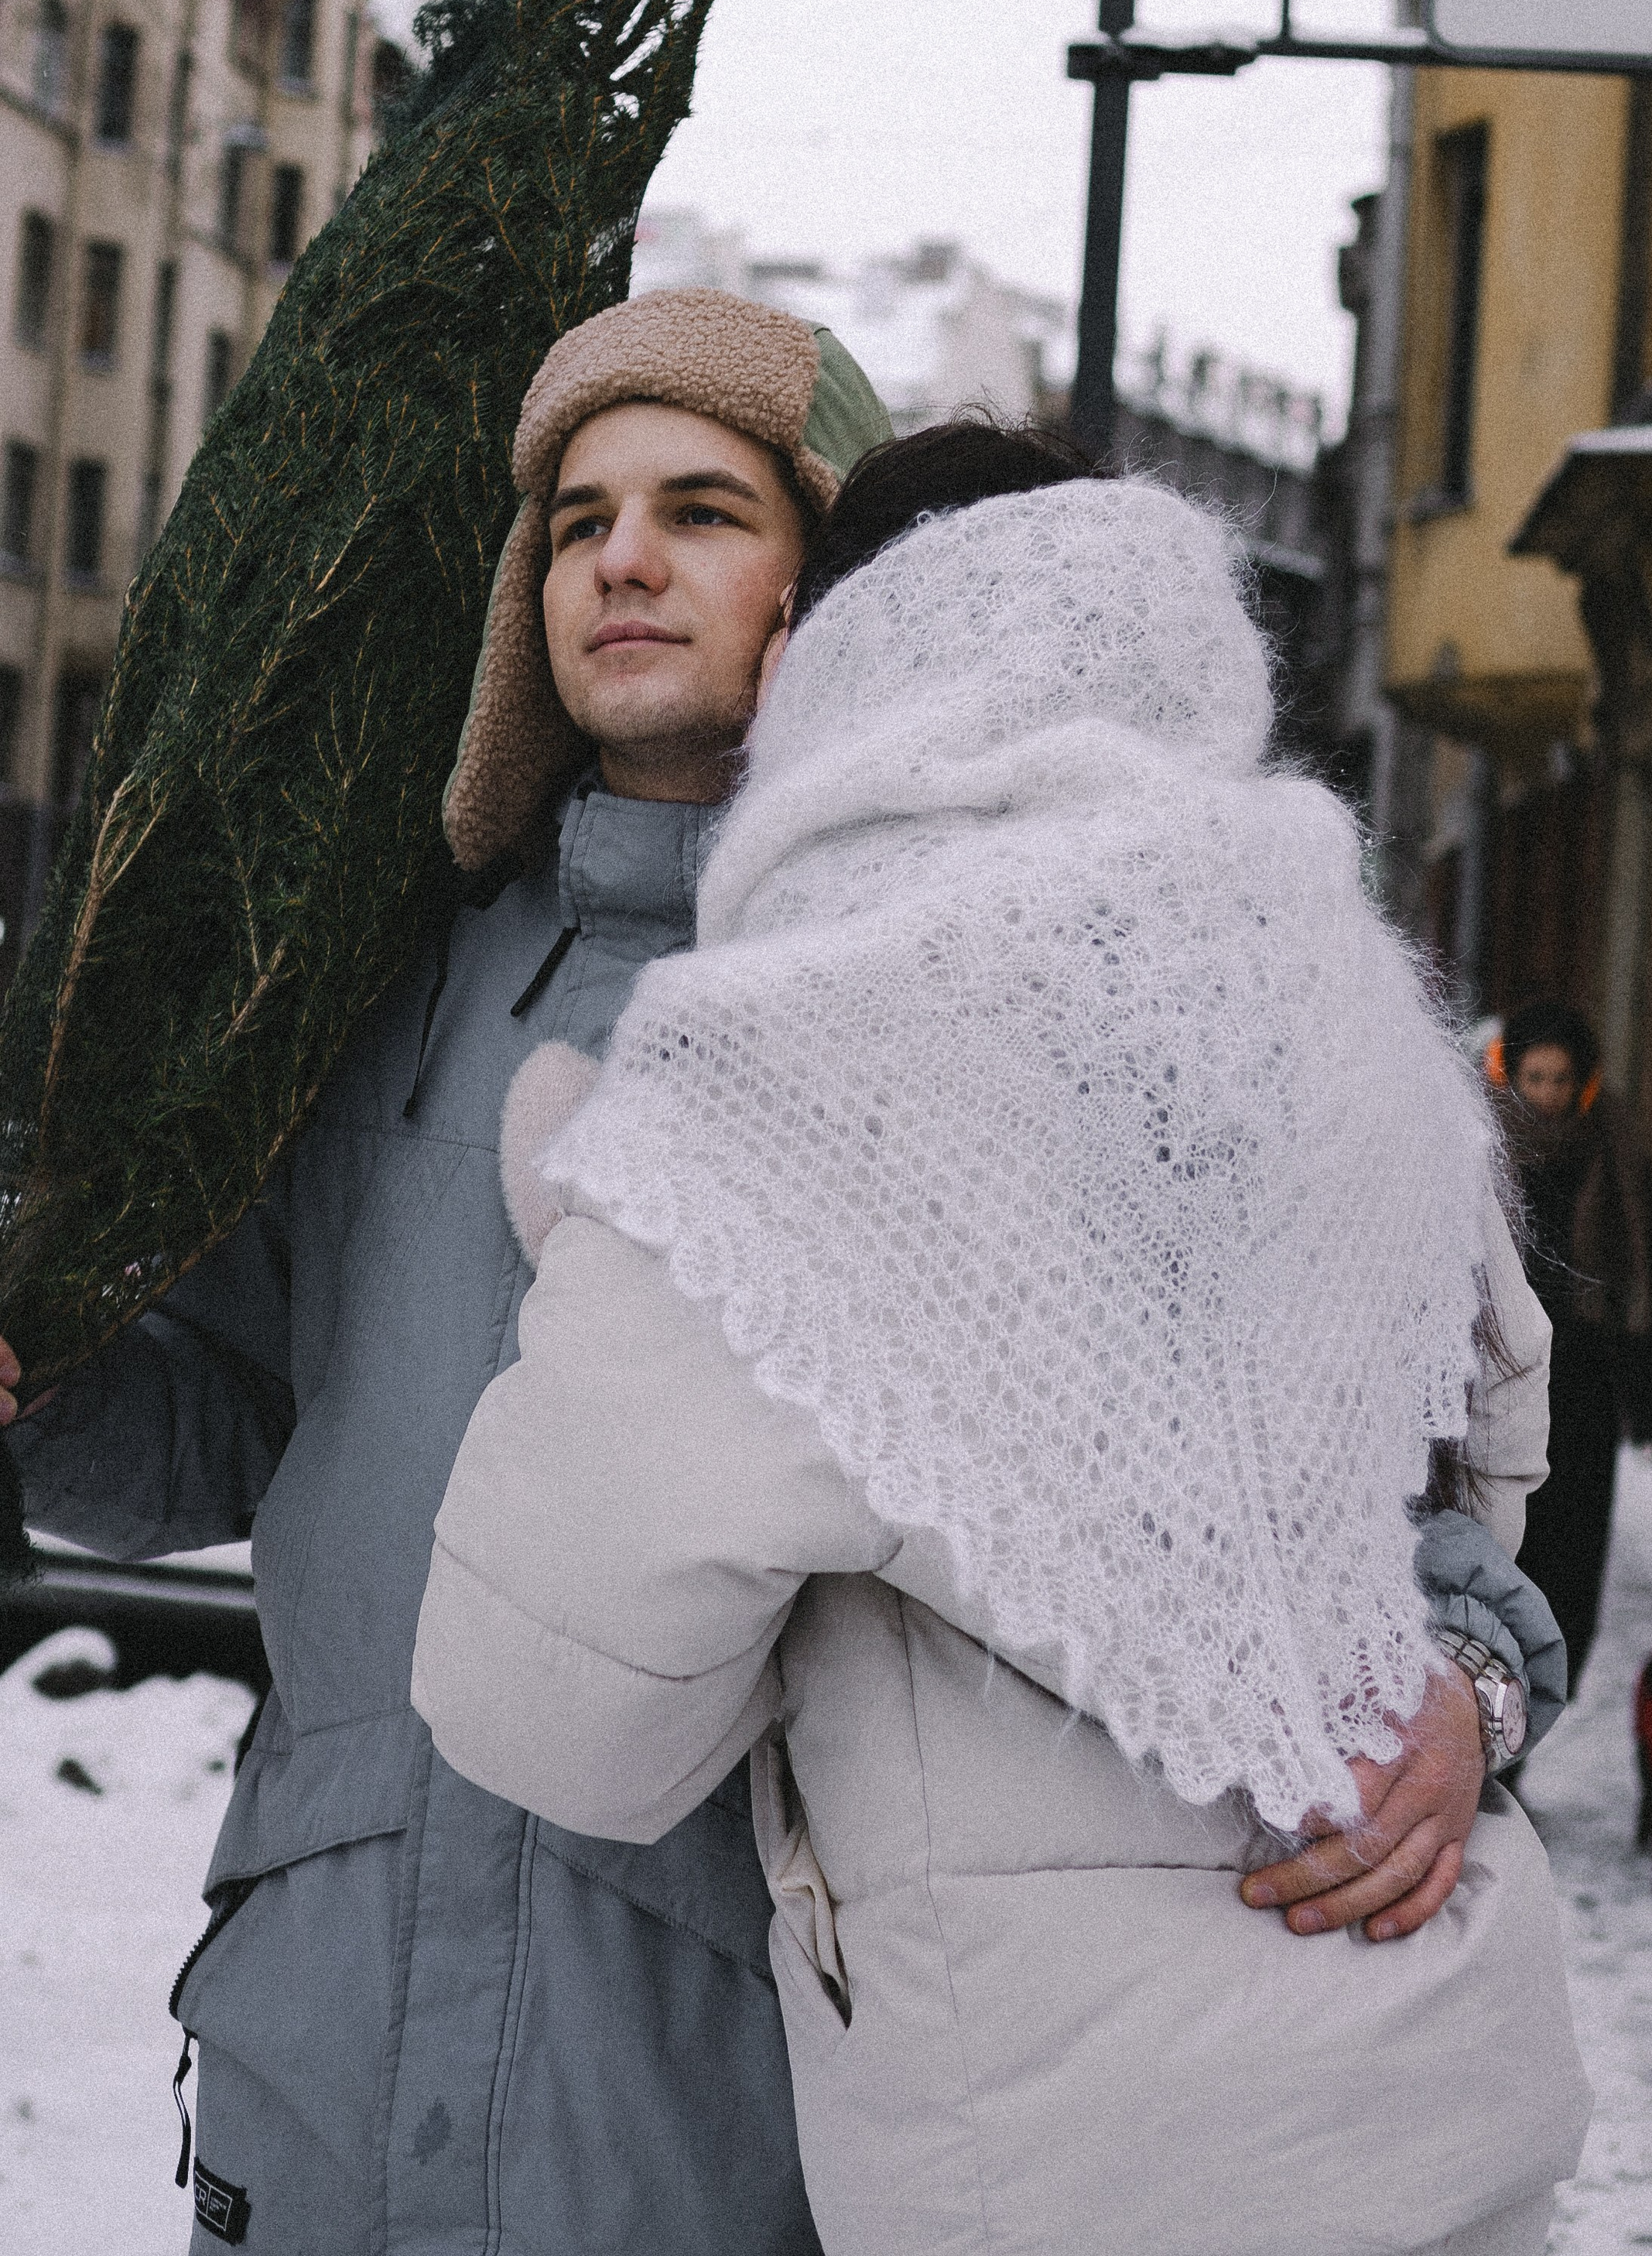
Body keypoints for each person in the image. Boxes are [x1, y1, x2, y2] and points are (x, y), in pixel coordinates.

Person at [0, 344, 1555, 2256]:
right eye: (573, 522)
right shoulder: (379, 995)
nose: (618, 562)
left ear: (839, 590)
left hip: (727, 2087)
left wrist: (1474, 1683)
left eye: (700, 512)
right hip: (322, 2036)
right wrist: (48, 1382)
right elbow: (237, 1411)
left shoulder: (1005, 998)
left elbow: (1347, 1470)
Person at [412, 435, 1590, 2256]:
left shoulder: (782, 1076)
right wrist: (1471, 1682)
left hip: (1071, 2164)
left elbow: (549, 1717)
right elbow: (1460, 1495)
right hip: (1445, 2080)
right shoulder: (1350, 998)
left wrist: (608, 1249)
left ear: (857, 655)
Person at [1490, 999, 1652, 1702]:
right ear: (1510, 1073)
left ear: (1582, 1082)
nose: (1546, 1094)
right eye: (1534, 1077)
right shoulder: (1476, 1147)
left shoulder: (1613, 1146)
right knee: (1497, 1560)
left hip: (1581, 1397)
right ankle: (1490, 1716)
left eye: (1560, 1079)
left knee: (1568, 1578)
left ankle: (1532, 1721)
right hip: (1495, 1392)